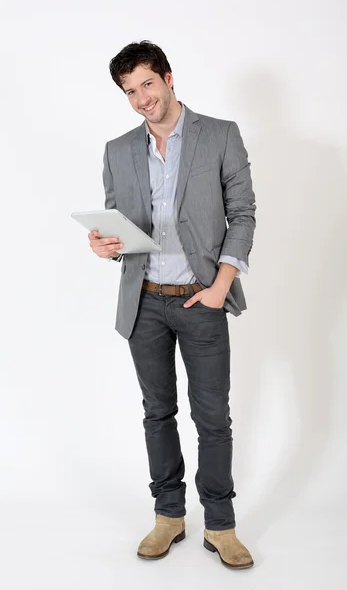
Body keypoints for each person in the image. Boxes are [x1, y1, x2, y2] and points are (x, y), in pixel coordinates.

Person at [88, 40, 256, 569]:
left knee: (213, 418)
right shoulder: (118, 150)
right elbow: (121, 229)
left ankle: (221, 525)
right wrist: (103, 245)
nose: (141, 99)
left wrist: (221, 284)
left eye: (147, 85)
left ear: (168, 78)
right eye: (130, 92)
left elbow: (244, 213)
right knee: (157, 413)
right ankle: (169, 517)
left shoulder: (220, 135)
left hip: (202, 300)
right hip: (145, 305)